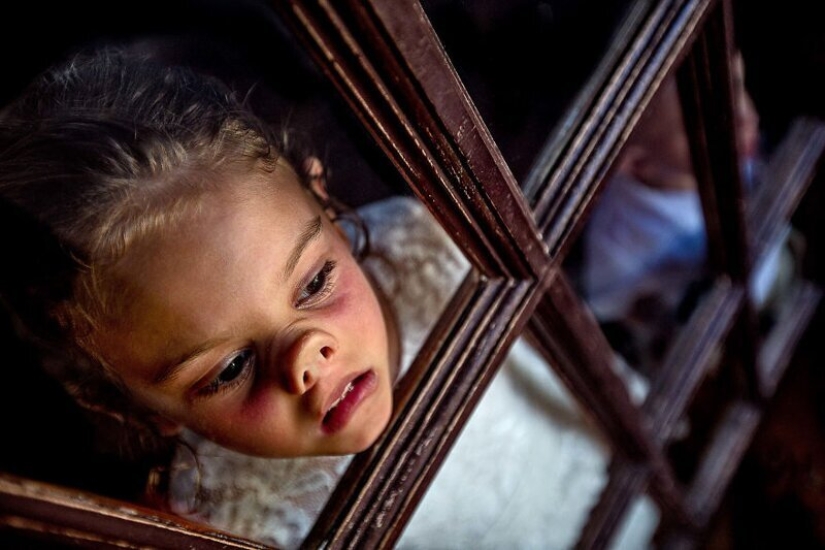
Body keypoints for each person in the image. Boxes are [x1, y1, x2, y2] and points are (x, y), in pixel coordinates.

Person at [0, 45, 657, 548]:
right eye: (228, 369)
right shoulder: (242, 528)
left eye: (314, 283)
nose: (307, 358)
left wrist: (643, 425)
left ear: (320, 196)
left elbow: (557, 362)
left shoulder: (427, 246)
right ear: (135, 406)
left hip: (615, 477)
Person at [577, 53, 796, 375]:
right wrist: (667, 312)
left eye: (733, 84)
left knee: (787, 276)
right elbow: (616, 304)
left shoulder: (733, 150)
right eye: (708, 119)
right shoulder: (619, 240)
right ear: (638, 163)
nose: (743, 116)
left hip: (768, 257)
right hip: (720, 314)